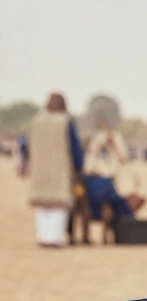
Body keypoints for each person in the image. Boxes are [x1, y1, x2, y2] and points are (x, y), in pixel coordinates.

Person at [26, 92, 84, 247]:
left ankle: (43, 237)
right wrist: (79, 166)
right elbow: (75, 148)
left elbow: (27, 145)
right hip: (60, 167)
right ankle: (54, 237)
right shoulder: (65, 122)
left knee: (43, 203)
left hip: (39, 167)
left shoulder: (36, 121)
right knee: (59, 203)